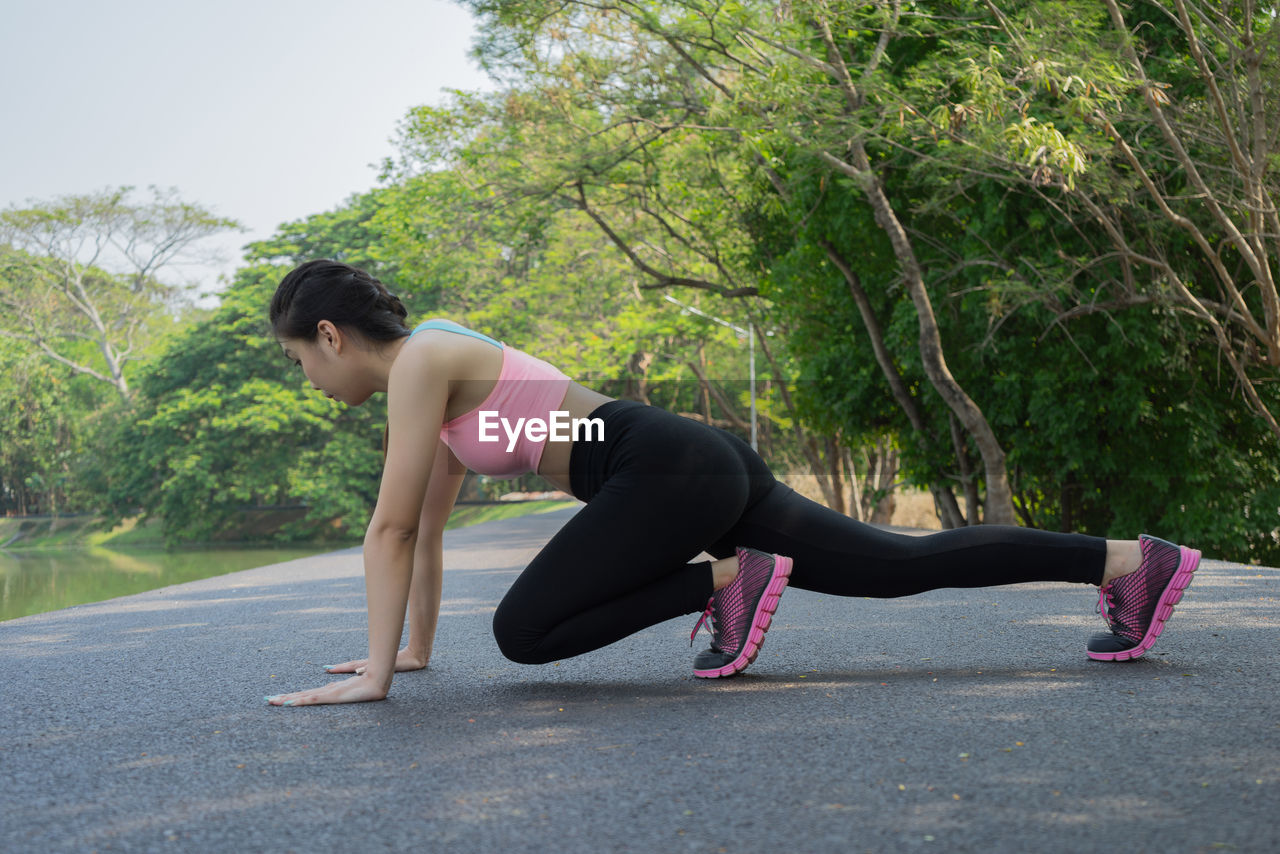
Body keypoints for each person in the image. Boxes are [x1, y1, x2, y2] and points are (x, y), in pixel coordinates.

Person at [263, 259, 1201, 707]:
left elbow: (383, 533)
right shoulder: (433, 377)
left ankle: (721, 578)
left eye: (301, 360)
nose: (309, 378)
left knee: (522, 634)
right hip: (683, 465)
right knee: (896, 565)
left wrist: (376, 679)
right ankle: (1127, 562)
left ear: (331, 338)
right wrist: (412, 653)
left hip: (657, 465)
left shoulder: (424, 358)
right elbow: (419, 533)